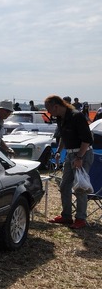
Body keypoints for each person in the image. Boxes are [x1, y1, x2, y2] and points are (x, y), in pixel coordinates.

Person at [45, 95, 93, 229]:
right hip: (71, 154)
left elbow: (87, 139)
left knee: (80, 188)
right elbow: (63, 137)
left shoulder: (76, 116)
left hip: (82, 154)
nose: (49, 112)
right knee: (64, 186)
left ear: (56, 106)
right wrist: (59, 151)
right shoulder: (60, 118)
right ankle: (66, 216)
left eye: (49, 109)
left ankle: (80, 219)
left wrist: (79, 158)